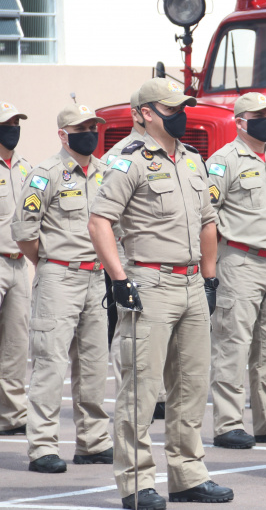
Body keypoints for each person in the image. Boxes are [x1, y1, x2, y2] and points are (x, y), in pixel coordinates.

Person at [88, 78, 233, 508]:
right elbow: (99, 222)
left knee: (190, 385)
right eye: (171, 108)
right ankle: (136, 484)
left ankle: (188, 476)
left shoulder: (190, 159)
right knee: (141, 389)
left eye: (182, 106)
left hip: (191, 283)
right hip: (149, 283)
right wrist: (118, 279)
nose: (180, 114)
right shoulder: (125, 160)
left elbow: (209, 222)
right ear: (146, 113)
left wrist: (208, 279)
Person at [12, 104, 112, 473]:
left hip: (97, 278)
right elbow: (24, 233)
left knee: (93, 364)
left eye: (93, 126)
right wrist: (51, 265)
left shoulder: (106, 173)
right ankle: (42, 447)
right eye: (81, 127)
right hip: (59, 277)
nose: (90, 132)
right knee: (50, 363)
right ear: (62, 134)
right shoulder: (45, 174)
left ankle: (93, 442)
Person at [208, 92, 266, 449]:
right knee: (233, 344)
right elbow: (208, 214)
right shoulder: (224, 161)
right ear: (240, 121)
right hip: (241, 262)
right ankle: (228, 423)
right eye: (260, 114)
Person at [104, 91, 168, 423]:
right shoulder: (121, 156)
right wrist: (118, 270)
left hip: (164, 263)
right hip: (131, 263)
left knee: (158, 339)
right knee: (129, 337)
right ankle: (135, 398)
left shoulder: (174, 154)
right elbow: (105, 218)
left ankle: (157, 395)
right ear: (137, 114)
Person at [0, 101, 31, 438]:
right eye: (6, 123)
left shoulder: (25, 167)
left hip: (19, 263)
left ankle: (12, 416)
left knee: (16, 344)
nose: (13, 128)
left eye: (16, 122)